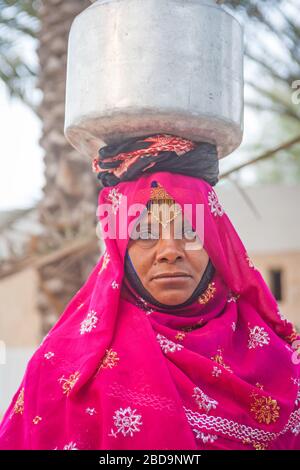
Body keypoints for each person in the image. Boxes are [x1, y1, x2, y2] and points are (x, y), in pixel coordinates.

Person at [0, 134, 299, 450]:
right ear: (119, 252)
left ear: (216, 244)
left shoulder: (280, 362)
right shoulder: (61, 371)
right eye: (144, 233)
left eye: (189, 230)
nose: (170, 251)